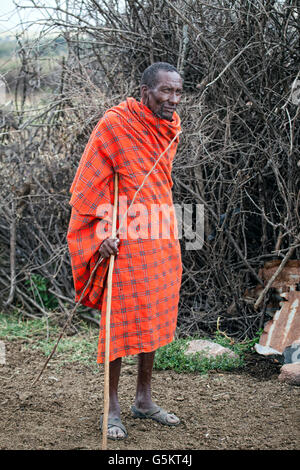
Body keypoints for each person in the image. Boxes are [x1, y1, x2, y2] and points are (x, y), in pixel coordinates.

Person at [67, 62, 183, 440]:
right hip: (124, 239)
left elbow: (158, 182)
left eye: (178, 92)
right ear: (146, 90)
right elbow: (89, 187)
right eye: (166, 91)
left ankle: (144, 400)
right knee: (118, 322)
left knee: (152, 317)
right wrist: (102, 235)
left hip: (159, 234)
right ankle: (111, 407)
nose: (173, 99)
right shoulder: (115, 125)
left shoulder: (169, 128)